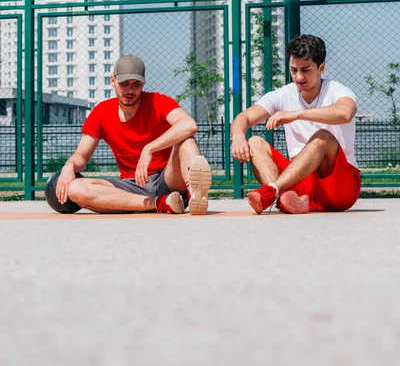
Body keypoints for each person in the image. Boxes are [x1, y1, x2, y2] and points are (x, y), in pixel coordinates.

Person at [52, 54, 212, 215]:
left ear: (143, 83)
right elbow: (81, 155)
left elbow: (189, 124)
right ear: (112, 81)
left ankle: (195, 195)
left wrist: (149, 149)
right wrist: (69, 166)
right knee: (76, 188)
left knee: (187, 141)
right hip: (131, 187)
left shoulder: (158, 101)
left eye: (136, 84)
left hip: (168, 180)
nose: (130, 90)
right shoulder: (101, 112)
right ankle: (160, 204)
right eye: (124, 84)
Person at [230, 35, 361, 214]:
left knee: (322, 137)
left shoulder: (336, 90)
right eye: (294, 70)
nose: (298, 76)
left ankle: (272, 191)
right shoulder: (284, 94)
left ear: (321, 68)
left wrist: (297, 114)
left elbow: (346, 113)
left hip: (339, 186)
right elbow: (243, 118)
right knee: (254, 142)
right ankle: (285, 198)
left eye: (305, 70)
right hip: (301, 181)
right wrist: (238, 137)